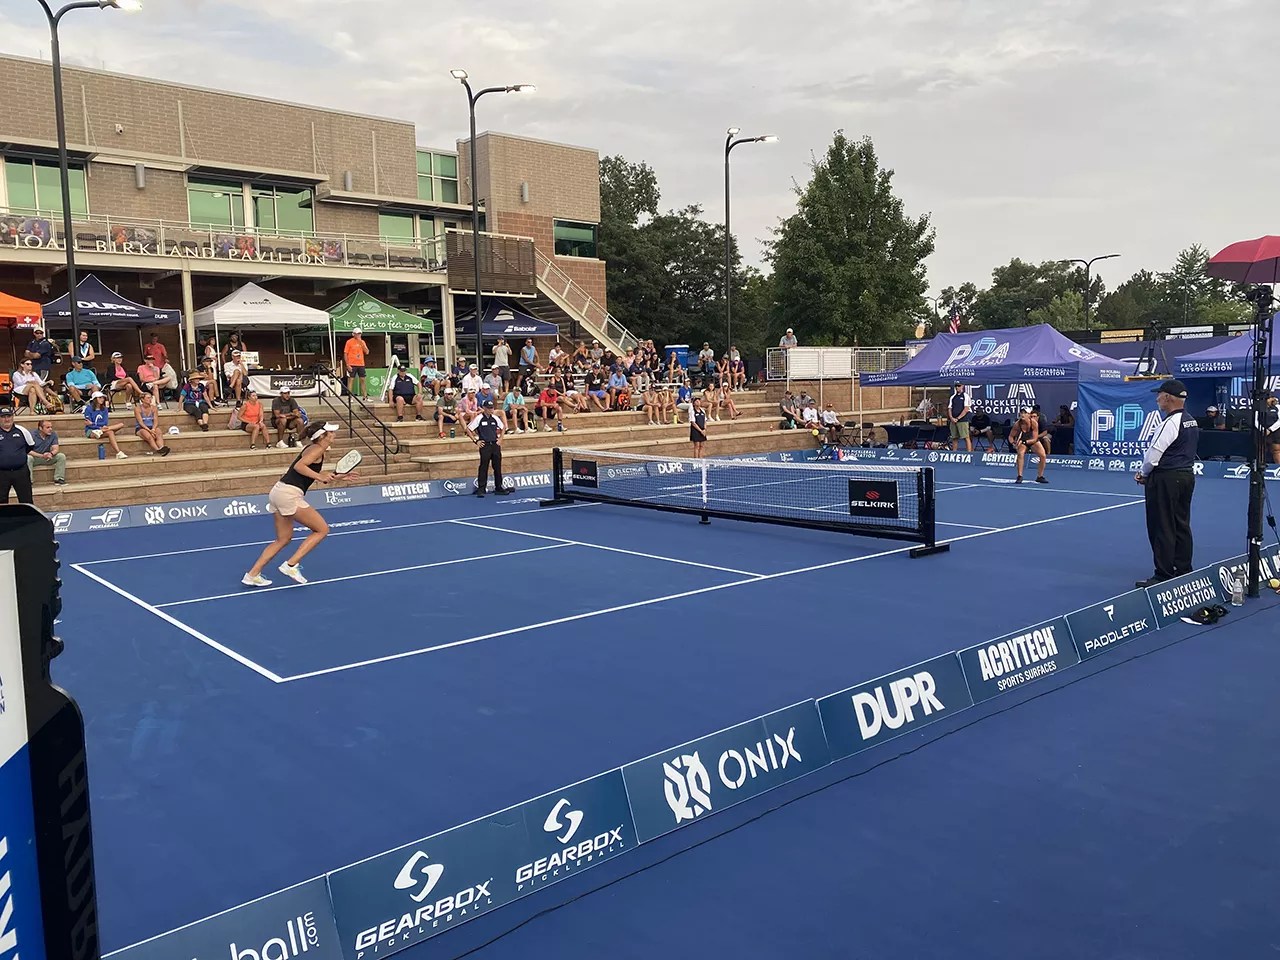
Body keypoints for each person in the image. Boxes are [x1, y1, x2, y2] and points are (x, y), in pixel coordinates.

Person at [242, 422, 355, 587]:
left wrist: (335, 477)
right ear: (323, 436)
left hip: (278, 492)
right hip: (289, 495)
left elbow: (308, 471)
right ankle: (291, 565)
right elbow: (299, 467)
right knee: (322, 529)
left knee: (283, 539)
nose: (334, 434)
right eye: (331, 432)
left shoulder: (313, 449)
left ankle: (252, 575)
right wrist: (319, 477)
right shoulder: (317, 449)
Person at [1135, 380, 1200, 588]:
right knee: (1181, 523)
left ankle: (1163, 573)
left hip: (1167, 478)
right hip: (1186, 474)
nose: (1157, 399)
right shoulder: (1190, 420)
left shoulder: (1169, 423)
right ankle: (1183, 568)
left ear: (1168, 398)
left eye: (1159, 395)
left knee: (1161, 524)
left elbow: (1154, 454)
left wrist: (1143, 473)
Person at [467, 399, 511, 497]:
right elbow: (468, 429)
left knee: (497, 466)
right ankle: (481, 488)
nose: (491, 410)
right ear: (484, 408)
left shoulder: (495, 418)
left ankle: (499, 487)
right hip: (485, 445)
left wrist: (501, 439)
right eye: (489, 408)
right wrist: (476, 441)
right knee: (483, 466)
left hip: (495, 444)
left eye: (492, 408)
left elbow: (503, 427)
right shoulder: (479, 418)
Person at [0, 407, 35, 503]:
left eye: (9, 416)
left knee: (26, 499)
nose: (6, 419)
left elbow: (30, 446)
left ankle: (28, 518)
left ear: (13, 417)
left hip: (21, 472)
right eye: (3, 417)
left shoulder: (22, 430)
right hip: (2, 473)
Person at [83, 392, 127, 458]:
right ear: (95, 399)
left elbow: (105, 422)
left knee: (121, 424)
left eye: (103, 397)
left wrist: (96, 425)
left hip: (103, 428)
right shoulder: (88, 409)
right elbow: (89, 424)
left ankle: (101, 431)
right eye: (100, 398)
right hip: (91, 430)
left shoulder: (105, 409)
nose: (102, 399)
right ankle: (118, 452)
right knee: (111, 432)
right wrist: (97, 426)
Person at [1008, 409, 1047, 484]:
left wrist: (1024, 442)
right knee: (1020, 454)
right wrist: (1013, 443)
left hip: (1033, 441)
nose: (1022, 414)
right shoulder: (1017, 424)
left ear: (1029, 415)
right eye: (1021, 413)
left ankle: (1040, 476)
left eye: (1025, 413)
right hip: (1023, 441)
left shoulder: (1034, 423)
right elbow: (1010, 436)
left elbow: (1035, 438)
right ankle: (1019, 476)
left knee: (1043, 455)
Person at [28, 418, 66, 486]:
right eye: (48, 427)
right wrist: (41, 455)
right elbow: (28, 451)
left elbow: (56, 448)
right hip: (35, 458)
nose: (50, 429)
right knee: (28, 458)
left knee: (61, 456)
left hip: (47, 457)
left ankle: (59, 478)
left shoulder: (53, 434)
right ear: (40, 428)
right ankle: (29, 481)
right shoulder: (32, 434)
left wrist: (51, 454)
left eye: (51, 427)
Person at [343, 329, 369, 398]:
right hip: (352, 363)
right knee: (351, 380)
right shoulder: (349, 342)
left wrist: (362, 343)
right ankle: (350, 397)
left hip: (361, 364)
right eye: (357, 333)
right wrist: (347, 364)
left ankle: (365, 396)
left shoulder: (362, 342)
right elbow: (345, 353)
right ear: (353, 334)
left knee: (362, 379)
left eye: (359, 333)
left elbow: (367, 352)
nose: (358, 335)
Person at [1257, 393, 1280, 464]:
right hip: (1261, 431)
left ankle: (1278, 468)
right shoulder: (1259, 407)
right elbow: (1255, 420)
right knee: (1261, 450)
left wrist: (1270, 429)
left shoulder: (1278, 407)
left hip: (1275, 432)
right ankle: (1260, 466)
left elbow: (1279, 421)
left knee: (1276, 450)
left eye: (1269, 398)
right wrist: (1262, 429)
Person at [947, 383, 972, 452]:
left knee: (966, 437)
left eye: (959, 386)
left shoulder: (965, 396)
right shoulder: (953, 397)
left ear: (962, 386)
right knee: (954, 437)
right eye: (956, 386)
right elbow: (949, 408)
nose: (957, 387)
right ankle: (954, 452)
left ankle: (969, 453)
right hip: (953, 420)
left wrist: (958, 418)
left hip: (962, 420)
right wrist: (951, 418)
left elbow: (966, 409)